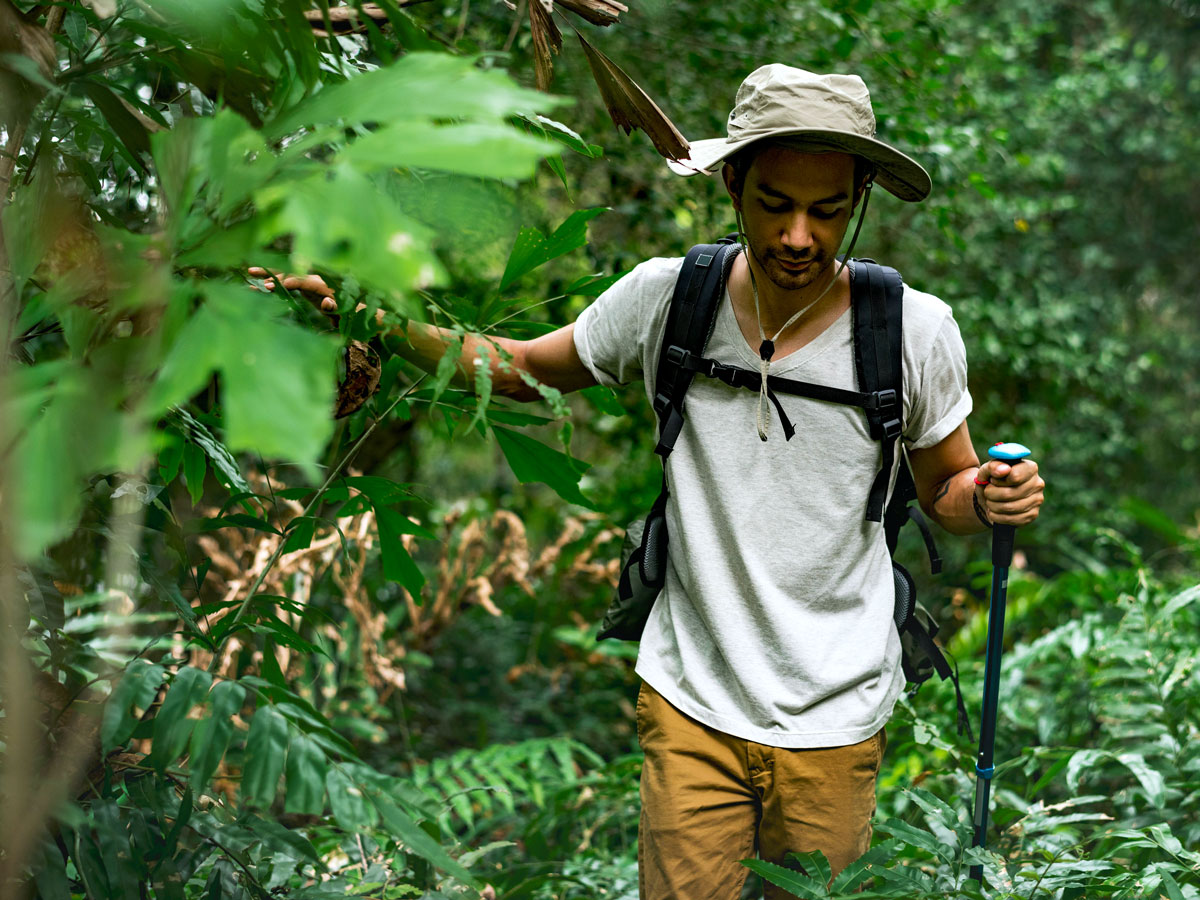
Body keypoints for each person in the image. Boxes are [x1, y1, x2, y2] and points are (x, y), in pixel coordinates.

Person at [259, 65, 1046, 900]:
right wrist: (373, 320)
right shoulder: (668, 299)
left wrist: (989, 497)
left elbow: (947, 491)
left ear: (859, 200)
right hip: (690, 699)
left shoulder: (911, 331)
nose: (798, 237)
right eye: (775, 204)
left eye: (827, 211)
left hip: (836, 710)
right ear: (733, 185)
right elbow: (519, 370)